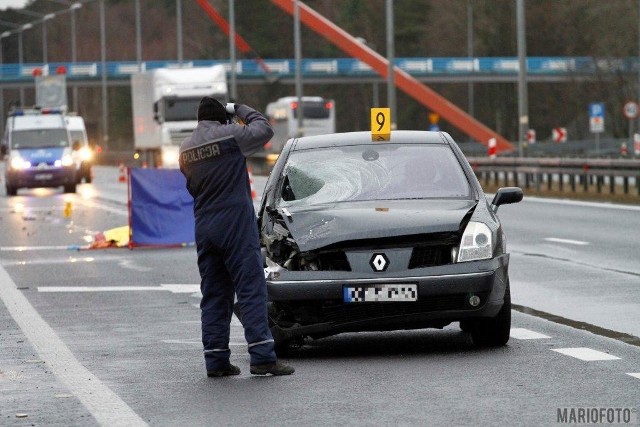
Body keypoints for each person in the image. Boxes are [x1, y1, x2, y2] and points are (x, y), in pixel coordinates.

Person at [179, 97, 294, 377]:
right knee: (251, 287)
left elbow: (191, 186)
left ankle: (216, 360)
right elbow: (264, 129)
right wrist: (238, 109)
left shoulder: (186, 148)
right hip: (234, 223)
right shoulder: (230, 134)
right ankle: (263, 357)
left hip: (205, 224)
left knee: (215, 293)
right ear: (222, 118)